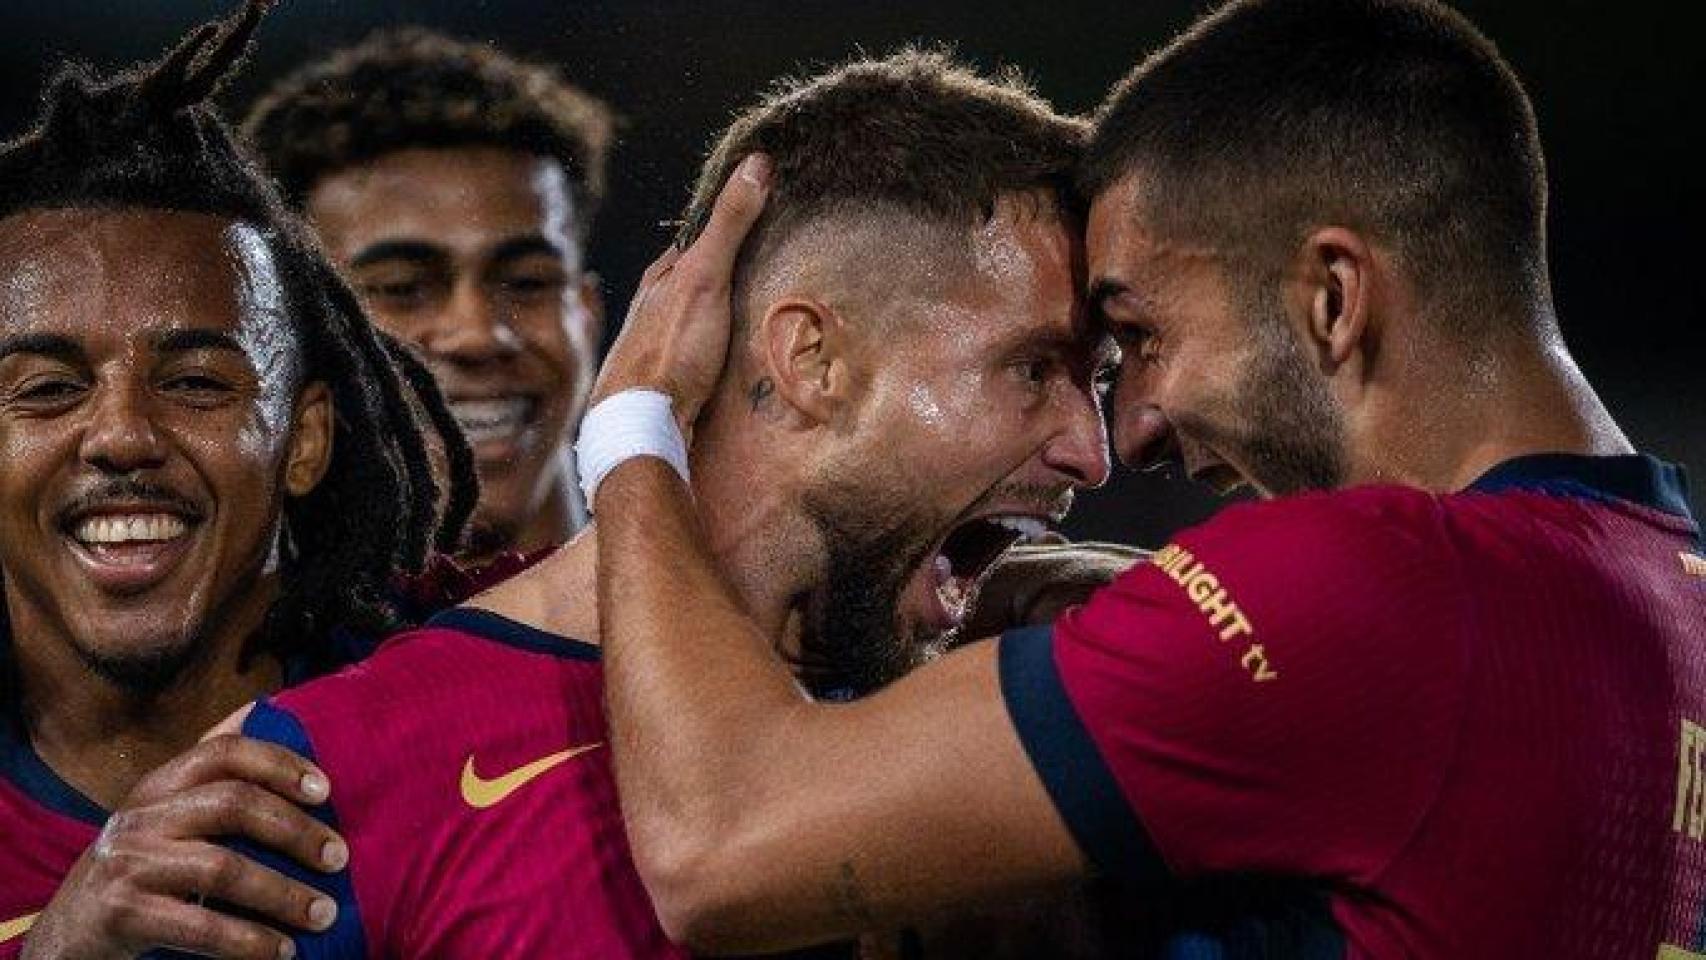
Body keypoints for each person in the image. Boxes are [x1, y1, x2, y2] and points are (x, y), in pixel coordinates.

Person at [583, 0, 1705, 956]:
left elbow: (715, 845)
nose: (1133, 429)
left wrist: (633, 430)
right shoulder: (1667, 590)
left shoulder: (1374, 588)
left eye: (1142, 334)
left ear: (1330, 296)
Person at [220, 48, 1118, 957]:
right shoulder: (326, 765)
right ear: (810, 360)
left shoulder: (981, 720)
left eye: (1098, 381)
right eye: (1034, 368)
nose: (1093, 454)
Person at [0, 4, 478, 957]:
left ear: (304, 439)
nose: (123, 436)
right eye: (49, 388)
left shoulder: (480, 693)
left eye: (196, 383)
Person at [245, 29, 613, 558]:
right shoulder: (213, 635)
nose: (478, 334)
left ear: (586, 314)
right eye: (402, 288)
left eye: (528, 282)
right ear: (284, 337)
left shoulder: (735, 621)